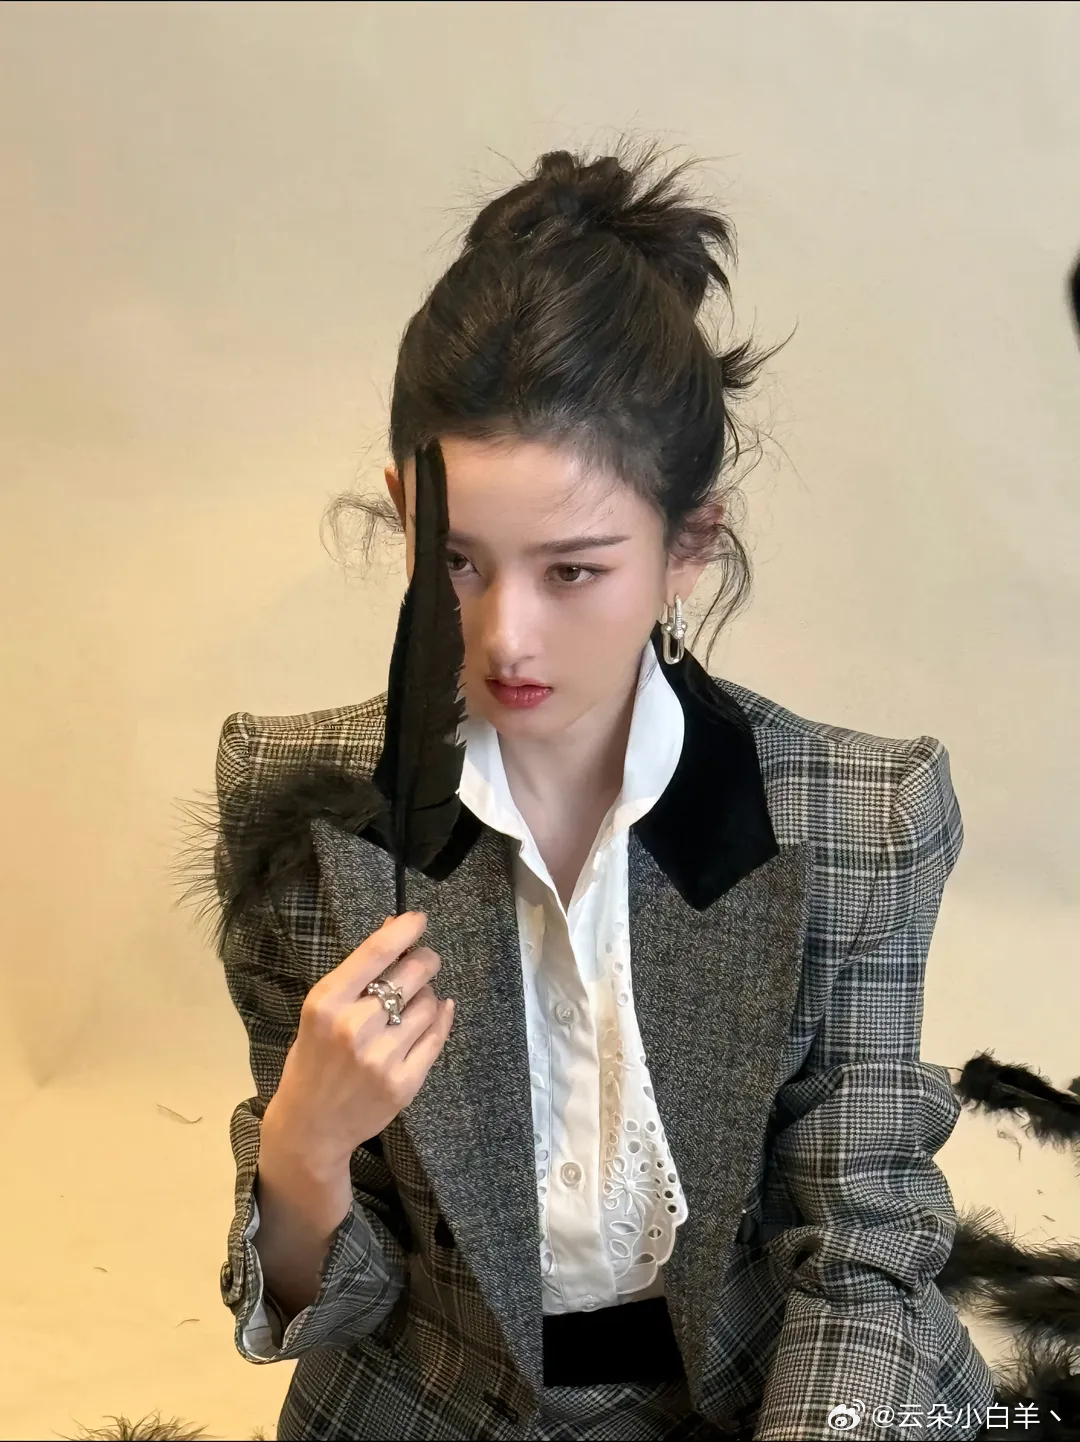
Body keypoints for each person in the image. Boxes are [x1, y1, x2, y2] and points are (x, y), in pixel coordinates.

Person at [204, 143, 996, 1440]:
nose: (506, 636)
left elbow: (862, 1259)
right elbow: (335, 1298)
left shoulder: (855, 819)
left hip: (766, 1403)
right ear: (404, 508)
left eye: (572, 570)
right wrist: (302, 1142)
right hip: (428, 1405)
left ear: (691, 542)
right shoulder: (308, 818)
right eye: (457, 560)